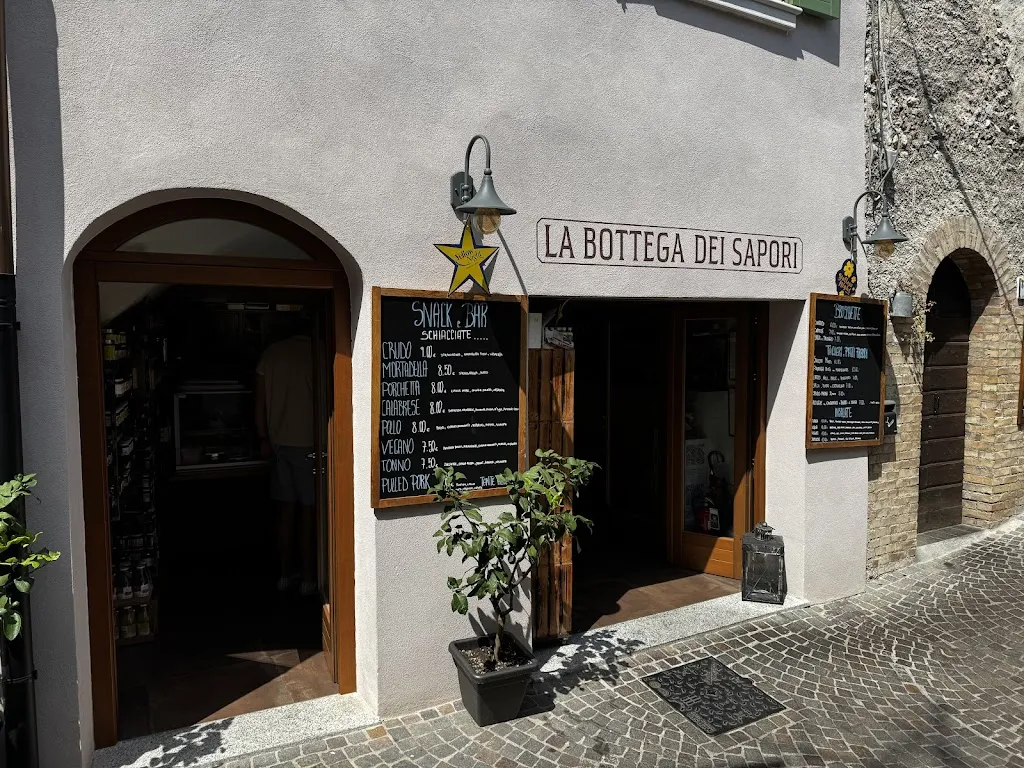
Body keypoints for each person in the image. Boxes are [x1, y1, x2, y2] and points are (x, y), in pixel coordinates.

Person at [255, 324, 317, 596]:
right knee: (308, 513)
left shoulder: (270, 354)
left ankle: (283, 575)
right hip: (309, 444)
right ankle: (308, 577)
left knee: (285, 511)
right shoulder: (317, 353)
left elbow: (259, 403)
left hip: (278, 444)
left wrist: (263, 438)